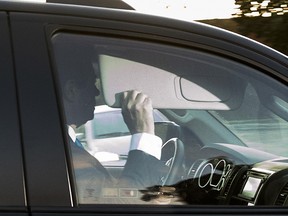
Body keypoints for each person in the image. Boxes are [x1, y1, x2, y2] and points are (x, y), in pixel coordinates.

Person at [56, 45, 167, 203]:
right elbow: (129, 207)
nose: (96, 92)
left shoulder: (63, 144)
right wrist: (143, 132)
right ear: (72, 90)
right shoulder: (64, 155)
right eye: (92, 82)